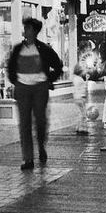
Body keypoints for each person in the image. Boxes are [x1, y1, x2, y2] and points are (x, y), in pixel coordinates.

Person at [7, 17, 63, 170]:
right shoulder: (18, 49)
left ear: (34, 31)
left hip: (40, 88)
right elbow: (11, 67)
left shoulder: (44, 49)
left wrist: (48, 80)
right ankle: (28, 159)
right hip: (22, 89)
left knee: (40, 121)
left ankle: (41, 145)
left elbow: (58, 66)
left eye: (27, 28)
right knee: (24, 124)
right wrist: (16, 82)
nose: (25, 31)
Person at [72, 64, 88, 134]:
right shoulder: (80, 79)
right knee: (83, 113)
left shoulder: (75, 78)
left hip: (76, 97)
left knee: (79, 112)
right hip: (81, 98)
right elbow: (84, 87)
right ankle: (82, 128)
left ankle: (78, 126)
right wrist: (87, 80)